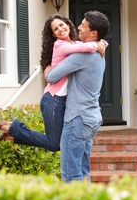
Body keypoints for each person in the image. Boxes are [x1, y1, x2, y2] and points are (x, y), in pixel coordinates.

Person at [0, 14, 107, 152]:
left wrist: (102, 43)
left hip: (61, 100)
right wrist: (97, 44)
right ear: (54, 35)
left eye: (61, 24)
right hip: (54, 100)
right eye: (55, 29)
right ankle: (14, 128)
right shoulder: (61, 45)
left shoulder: (75, 44)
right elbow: (86, 48)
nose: (60, 29)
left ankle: (11, 133)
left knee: (57, 143)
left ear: (68, 24)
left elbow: (84, 46)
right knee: (55, 144)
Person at [43, 11, 111, 183]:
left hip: (77, 119)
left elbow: (51, 76)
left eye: (83, 25)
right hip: (92, 118)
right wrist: (101, 42)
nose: (78, 27)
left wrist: (47, 66)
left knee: (70, 175)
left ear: (93, 33)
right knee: (83, 171)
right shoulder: (98, 51)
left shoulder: (82, 55)